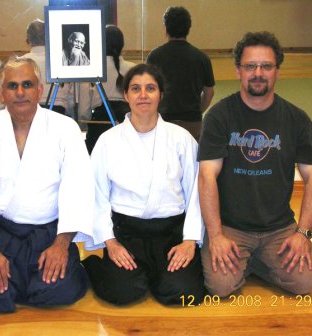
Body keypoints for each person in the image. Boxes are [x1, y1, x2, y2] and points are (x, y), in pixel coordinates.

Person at [0, 56, 95, 313]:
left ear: (39, 90)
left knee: (59, 292)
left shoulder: (65, 128)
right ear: (1, 93)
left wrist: (61, 245)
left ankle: (48, 273)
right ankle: (20, 278)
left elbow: (77, 188)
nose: (20, 92)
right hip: (1, 233)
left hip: (48, 233)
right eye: (12, 86)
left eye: (27, 84)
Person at [198, 31, 312, 298]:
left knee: (304, 284)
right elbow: (207, 177)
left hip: (278, 228)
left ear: (277, 71)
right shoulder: (219, 116)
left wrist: (303, 234)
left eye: (266, 66)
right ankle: (253, 263)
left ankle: (255, 263)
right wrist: (216, 235)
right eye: (250, 66)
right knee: (220, 286)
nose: (258, 73)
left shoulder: (297, 119)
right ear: (238, 71)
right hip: (230, 227)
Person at [83, 64, 205, 306]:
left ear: (160, 94)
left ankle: (155, 275)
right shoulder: (108, 141)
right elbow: (97, 195)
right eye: (135, 89)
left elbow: (196, 193)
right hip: (127, 235)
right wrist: (111, 242)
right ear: (126, 95)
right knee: (121, 293)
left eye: (150, 88)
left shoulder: (181, 139)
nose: (143, 95)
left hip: (171, 235)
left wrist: (190, 241)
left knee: (184, 294)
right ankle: (96, 265)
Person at [146, 6, 215, 141]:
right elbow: (209, 93)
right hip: (192, 122)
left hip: (163, 120)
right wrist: (197, 111)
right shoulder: (202, 58)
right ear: (188, 28)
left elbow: (148, 89)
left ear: (166, 28)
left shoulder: (154, 56)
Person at [79, 25, 135, 154]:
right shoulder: (133, 69)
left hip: (99, 126)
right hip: (126, 125)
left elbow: (83, 111)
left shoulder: (90, 69)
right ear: (122, 44)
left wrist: (86, 122)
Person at [23, 19, 71, 116]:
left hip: (30, 111)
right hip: (58, 110)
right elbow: (70, 94)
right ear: (49, 37)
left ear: (27, 40)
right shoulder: (63, 60)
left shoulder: (21, 63)